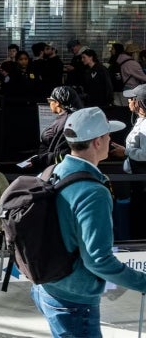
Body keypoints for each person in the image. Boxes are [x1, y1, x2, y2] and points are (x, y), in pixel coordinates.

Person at [31, 107, 146, 338]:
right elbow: (98, 260)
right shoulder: (94, 192)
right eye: (107, 134)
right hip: (74, 301)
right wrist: (142, 282)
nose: (110, 139)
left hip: (45, 288)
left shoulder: (51, 172)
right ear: (97, 142)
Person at [34, 86, 83, 169]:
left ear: (57, 102)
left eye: (50, 100)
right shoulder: (67, 118)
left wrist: (40, 160)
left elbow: (64, 151)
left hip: (57, 168)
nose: (49, 103)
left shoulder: (67, 121)